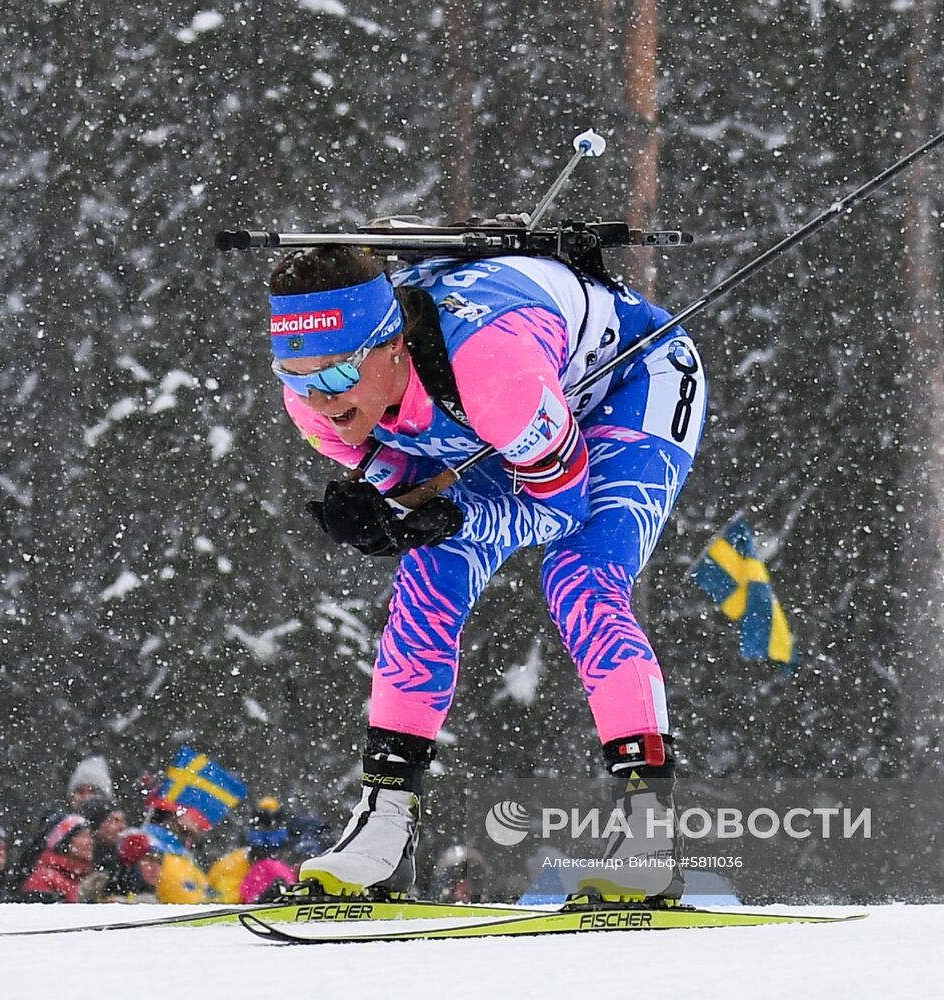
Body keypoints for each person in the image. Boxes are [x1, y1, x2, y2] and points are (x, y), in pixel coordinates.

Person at [266, 246, 706, 904]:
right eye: (295, 377)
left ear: (391, 346)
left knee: (580, 578)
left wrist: (443, 521)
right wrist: (381, 508)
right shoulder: (315, 401)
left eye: (332, 377)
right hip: (502, 420)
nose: (316, 401)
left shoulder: (491, 367)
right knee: (426, 580)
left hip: (625, 386)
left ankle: (650, 834)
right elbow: (396, 464)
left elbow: (562, 508)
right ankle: (383, 828)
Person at [20, 813, 94, 902]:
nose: (90, 842)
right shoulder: (43, 879)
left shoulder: (86, 877)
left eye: (90, 836)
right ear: (64, 842)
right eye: (83, 836)